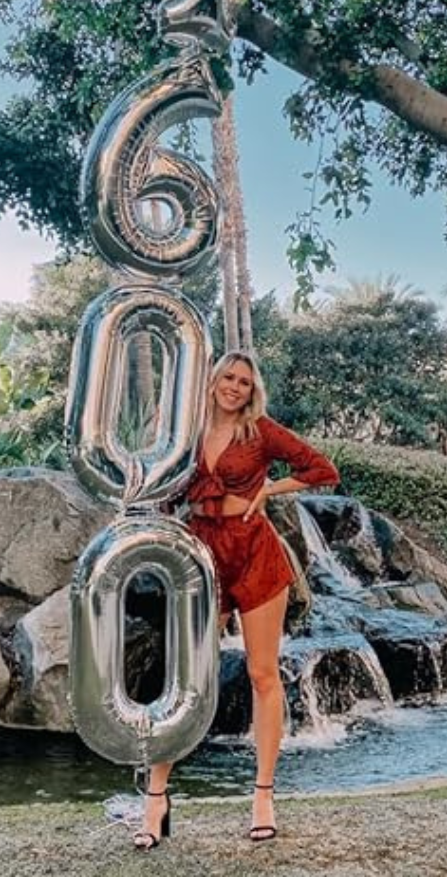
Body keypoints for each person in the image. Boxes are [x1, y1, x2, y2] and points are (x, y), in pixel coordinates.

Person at [133, 351, 339, 850]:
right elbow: (156, 480)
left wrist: (270, 489)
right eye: (228, 377)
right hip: (202, 554)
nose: (234, 387)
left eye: (244, 382)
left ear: (252, 391)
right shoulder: (185, 433)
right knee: (185, 678)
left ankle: (263, 797)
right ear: (212, 381)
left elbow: (321, 469)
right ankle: (156, 799)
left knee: (262, 674)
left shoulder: (261, 431)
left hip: (255, 552)